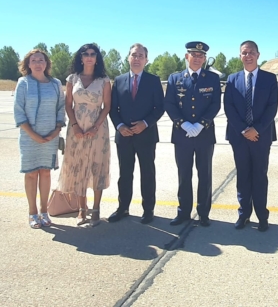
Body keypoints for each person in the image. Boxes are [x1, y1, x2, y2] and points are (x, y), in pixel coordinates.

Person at [164, 42, 221, 227]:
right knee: (184, 175)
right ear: (186, 56)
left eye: (200, 55)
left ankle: (204, 213)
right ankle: (183, 213)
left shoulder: (212, 78)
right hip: (182, 135)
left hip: (204, 135)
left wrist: (201, 124)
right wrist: (184, 124)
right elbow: (170, 104)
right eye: (193, 54)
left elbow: (215, 104)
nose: (197, 58)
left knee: (204, 175)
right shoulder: (175, 78)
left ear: (204, 59)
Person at [224, 40, 278, 232]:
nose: (248, 56)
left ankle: (262, 216)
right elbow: (229, 107)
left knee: (260, 176)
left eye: (251, 52)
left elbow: (272, 108)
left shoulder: (270, 79)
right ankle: (244, 214)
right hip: (239, 137)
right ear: (240, 56)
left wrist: (256, 129)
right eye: (244, 53)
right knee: (243, 176)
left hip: (261, 136)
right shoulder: (232, 79)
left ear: (258, 55)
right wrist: (243, 130)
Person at [108, 43, 165, 225]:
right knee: (125, 173)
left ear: (146, 60)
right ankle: (123, 207)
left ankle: (148, 210)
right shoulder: (118, 80)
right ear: (128, 58)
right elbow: (112, 109)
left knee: (147, 173)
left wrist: (145, 123)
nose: (137, 58)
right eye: (134, 55)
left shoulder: (153, 80)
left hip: (146, 135)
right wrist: (119, 126)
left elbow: (160, 108)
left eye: (141, 56)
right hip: (124, 136)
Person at [57, 44, 111, 227]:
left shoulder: (104, 80)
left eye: (92, 54)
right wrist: (75, 126)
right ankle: (82, 209)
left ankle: (96, 209)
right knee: (78, 166)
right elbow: (68, 104)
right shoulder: (73, 78)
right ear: (81, 58)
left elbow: (107, 107)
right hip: (76, 129)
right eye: (85, 54)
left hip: (98, 130)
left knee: (96, 167)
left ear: (97, 58)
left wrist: (96, 127)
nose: (89, 57)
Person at [14, 49, 65, 228]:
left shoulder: (55, 84)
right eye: (34, 60)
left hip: (50, 136)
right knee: (30, 174)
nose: (37, 63)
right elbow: (19, 112)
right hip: (29, 137)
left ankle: (44, 211)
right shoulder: (23, 83)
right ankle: (32, 212)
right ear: (28, 64)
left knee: (45, 172)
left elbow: (61, 108)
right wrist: (33, 134)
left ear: (46, 64)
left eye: (41, 60)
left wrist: (56, 130)